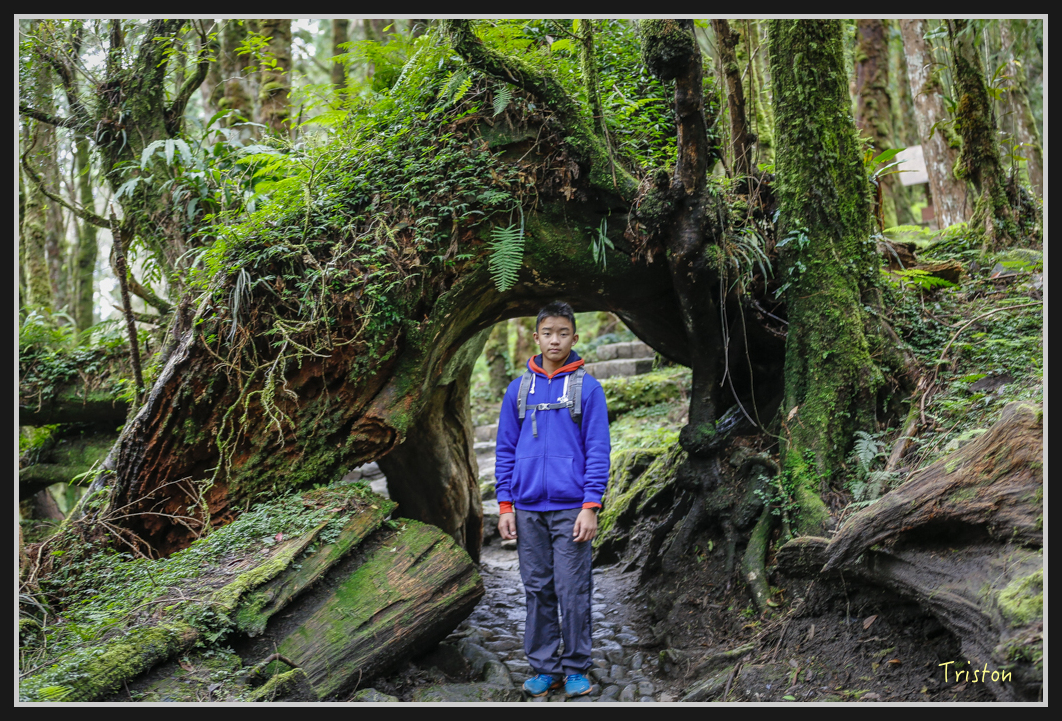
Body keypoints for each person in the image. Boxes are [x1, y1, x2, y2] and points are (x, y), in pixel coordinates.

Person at [493, 301, 611, 698]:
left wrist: (590, 505)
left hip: (570, 509)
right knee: (537, 588)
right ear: (537, 337)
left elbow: (598, 450)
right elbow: (505, 449)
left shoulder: (587, 388)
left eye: (563, 333)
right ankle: (545, 667)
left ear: (574, 338)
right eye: (548, 333)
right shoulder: (518, 388)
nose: (555, 339)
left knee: (572, 588)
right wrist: (505, 504)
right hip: (527, 509)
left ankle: (577, 666)